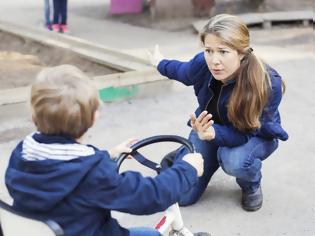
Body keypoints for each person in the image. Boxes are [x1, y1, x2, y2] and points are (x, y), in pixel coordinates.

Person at [5, 65, 206, 236]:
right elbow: (149, 196)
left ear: (33, 117)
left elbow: (67, 164)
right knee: (151, 234)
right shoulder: (94, 174)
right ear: (94, 118)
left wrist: (106, 155)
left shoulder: (21, 154)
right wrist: (187, 169)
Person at [149, 14, 288, 211]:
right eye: (209, 50)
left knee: (233, 160)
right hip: (210, 127)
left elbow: (246, 132)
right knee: (183, 197)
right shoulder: (204, 63)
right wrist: (159, 63)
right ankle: (185, 153)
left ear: (241, 52)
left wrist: (215, 134)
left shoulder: (267, 83)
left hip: (253, 135)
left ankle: (251, 185)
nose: (214, 60)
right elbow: (182, 71)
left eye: (223, 52)